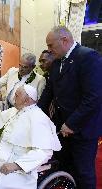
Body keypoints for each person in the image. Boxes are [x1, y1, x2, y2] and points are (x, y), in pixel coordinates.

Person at [38, 26, 102, 189]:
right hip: (62, 129)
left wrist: (72, 124)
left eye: (51, 45)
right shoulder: (57, 63)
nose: (49, 50)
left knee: (83, 173)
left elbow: (93, 97)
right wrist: (34, 116)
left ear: (64, 40)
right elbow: (48, 94)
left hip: (83, 129)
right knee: (64, 167)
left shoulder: (88, 57)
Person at [0, 85, 61, 189]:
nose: (13, 98)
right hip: (0, 150)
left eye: (16, 96)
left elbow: (44, 152)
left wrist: (16, 165)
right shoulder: (15, 110)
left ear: (27, 100)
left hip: (20, 158)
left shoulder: (39, 118)